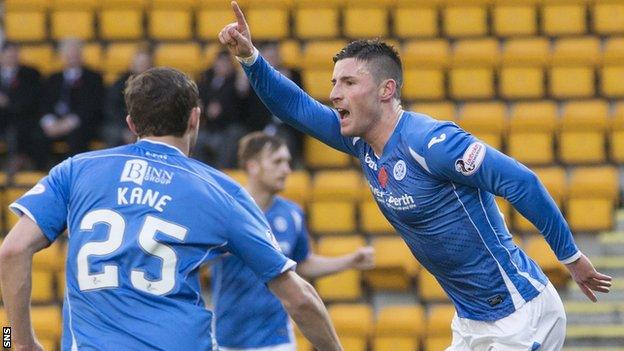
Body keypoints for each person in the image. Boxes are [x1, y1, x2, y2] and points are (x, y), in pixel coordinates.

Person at [218, 2, 613, 350]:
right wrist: (251, 58)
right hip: (473, 322)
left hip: (520, 313)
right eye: (334, 83)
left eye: (349, 82)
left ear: (387, 89)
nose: (335, 93)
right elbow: (296, 108)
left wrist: (571, 257)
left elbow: (521, 182)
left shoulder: (432, 143)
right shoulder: (361, 144)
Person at [0, 67, 343, 351]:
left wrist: (17, 341)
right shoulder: (222, 191)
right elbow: (298, 297)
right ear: (195, 119)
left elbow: (12, 250)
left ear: (132, 123)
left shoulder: (75, 170)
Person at [213, 132, 375, 351]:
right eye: (277, 162)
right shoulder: (226, 212)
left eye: (288, 162)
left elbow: (302, 263)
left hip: (276, 339)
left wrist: (350, 261)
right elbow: (196, 260)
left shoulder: (293, 214)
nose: (287, 170)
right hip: (229, 340)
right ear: (252, 166)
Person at [40, 38, 105, 157]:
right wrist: (49, 122)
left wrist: (69, 123)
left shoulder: (94, 78)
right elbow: (45, 103)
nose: (72, 56)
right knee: (37, 135)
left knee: (77, 137)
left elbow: (92, 105)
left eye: (75, 52)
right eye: (68, 53)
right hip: (55, 122)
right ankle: (41, 171)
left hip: (81, 124)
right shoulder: (53, 78)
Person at [196, 50, 248, 168]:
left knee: (230, 139)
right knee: (197, 139)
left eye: (225, 63)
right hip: (209, 126)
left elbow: (241, 104)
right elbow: (200, 99)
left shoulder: (236, 81)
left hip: (229, 126)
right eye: (220, 63)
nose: (222, 66)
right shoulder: (206, 79)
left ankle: (223, 171)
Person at [0, 41, 47, 171]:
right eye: (8, 54)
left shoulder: (31, 74)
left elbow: (34, 100)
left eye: (14, 53)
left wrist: (8, 102)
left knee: (32, 134)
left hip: (25, 120)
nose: (11, 57)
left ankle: (30, 168)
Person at [104, 46, 152, 147]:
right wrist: (126, 129)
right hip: (122, 125)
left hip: (150, 126)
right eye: (139, 63)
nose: (142, 66)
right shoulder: (120, 83)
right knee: (113, 133)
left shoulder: (158, 84)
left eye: (145, 63)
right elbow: (112, 109)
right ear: (132, 65)